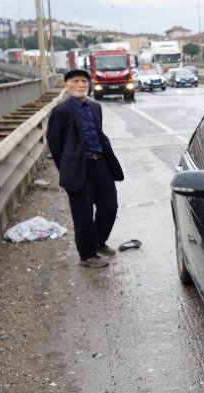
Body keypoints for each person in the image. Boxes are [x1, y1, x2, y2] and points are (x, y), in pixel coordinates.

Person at [46, 69, 124, 268]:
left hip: (101, 164)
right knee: (83, 214)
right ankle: (87, 255)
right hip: (79, 168)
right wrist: (67, 167)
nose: (81, 85)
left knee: (109, 207)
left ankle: (98, 242)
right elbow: (54, 143)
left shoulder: (95, 107)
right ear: (66, 85)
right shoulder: (61, 111)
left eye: (84, 81)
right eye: (75, 81)